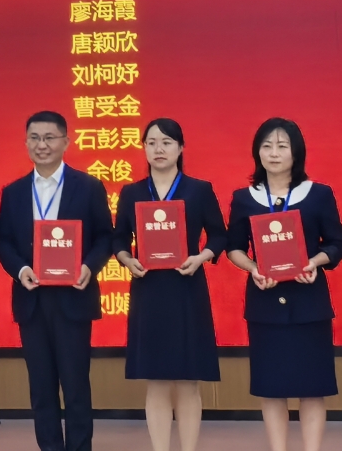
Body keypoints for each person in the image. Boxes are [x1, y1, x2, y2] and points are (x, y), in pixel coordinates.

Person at [226, 119, 342, 451]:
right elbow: (234, 247)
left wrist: (315, 262)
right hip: (265, 305)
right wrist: (253, 268)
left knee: (313, 387)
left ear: (297, 152)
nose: (274, 153)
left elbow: (337, 243)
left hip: (309, 303)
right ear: (257, 152)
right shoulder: (244, 198)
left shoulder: (318, 194)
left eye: (282, 146)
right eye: (266, 146)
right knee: (271, 388)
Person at [0, 111, 113, 451]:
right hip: (32, 300)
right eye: (34, 138)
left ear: (66, 141)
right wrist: (21, 270)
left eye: (49, 138)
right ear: (26, 143)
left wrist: (89, 266)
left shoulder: (88, 186)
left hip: (73, 298)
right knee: (41, 389)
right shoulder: (14, 191)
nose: (41, 145)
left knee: (76, 387)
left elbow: (105, 236)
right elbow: (4, 241)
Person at [111, 118, 226, 451]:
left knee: (188, 381)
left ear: (180, 147)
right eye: (151, 143)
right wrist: (126, 259)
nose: (158, 149)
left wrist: (201, 257)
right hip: (149, 291)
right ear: (144, 148)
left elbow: (219, 235)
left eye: (166, 142)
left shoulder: (199, 190)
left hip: (187, 288)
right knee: (157, 381)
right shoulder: (132, 192)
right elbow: (118, 238)